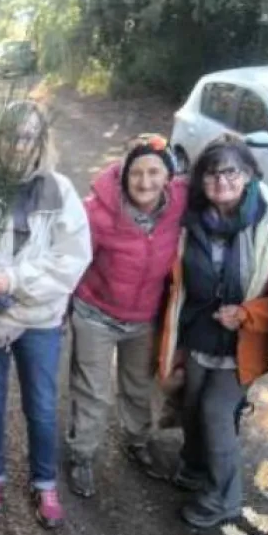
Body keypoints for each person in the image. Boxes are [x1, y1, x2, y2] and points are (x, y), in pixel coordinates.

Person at [158, 134, 268, 529]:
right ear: (199, 179)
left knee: (216, 411)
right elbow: (145, 180)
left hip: (245, 340)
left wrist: (248, 313)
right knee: (190, 402)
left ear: (250, 174)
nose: (221, 181)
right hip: (199, 333)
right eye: (211, 173)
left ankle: (226, 498)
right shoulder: (189, 218)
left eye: (231, 171)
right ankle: (196, 467)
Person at [0, 100, 92, 528]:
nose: (18, 145)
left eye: (28, 136)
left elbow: (71, 259)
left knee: (40, 405)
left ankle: (44, 481)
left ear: (40, 141)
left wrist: (15, 280)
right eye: (10, 135)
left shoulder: (60, 191)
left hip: (39, 319)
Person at [65, 134, 188, 497]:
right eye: (137, 173)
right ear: (123, 174)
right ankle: (82, 455)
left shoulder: (179, 202)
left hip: (145, 317)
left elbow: (224, 178)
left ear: (168, 177)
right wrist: (60, 309)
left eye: (154, 173)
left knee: (138, 387)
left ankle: (137, 441)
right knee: (92, 391)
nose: (145, 182)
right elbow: (73, 261)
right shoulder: (97, 212)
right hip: (96, 313)